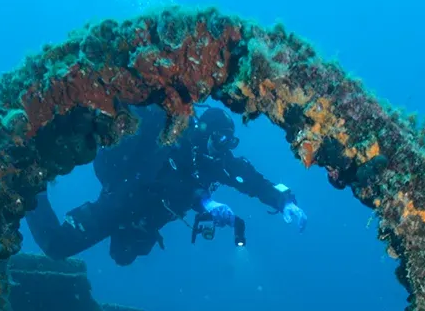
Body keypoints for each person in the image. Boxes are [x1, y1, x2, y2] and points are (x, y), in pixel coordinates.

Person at [25, 106, 308, 266]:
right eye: (220, 139)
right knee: (56, 246)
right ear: (203, 132)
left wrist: (286, 202)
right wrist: (205, 201)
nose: (224, 148)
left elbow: (251, 180)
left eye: (229, 142)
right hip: (126, 200)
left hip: (142, 219)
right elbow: (161, 179)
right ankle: (29, 184)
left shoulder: (215, 161)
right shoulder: (173, 145)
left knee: (124, 256)